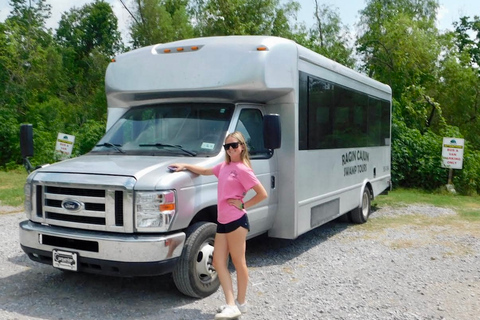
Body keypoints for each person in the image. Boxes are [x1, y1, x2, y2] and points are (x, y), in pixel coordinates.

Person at [171, 131, 268, 319]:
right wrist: (184, 166)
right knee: (217, 262)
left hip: (237, 220)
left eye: (234, 145)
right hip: (222, 221)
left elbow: (262, 193)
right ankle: (232, 304)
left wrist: (243, 205)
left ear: (242, 146)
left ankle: (240, 303)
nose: (231, 149)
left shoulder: (242, 169)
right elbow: (206, 171)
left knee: (239, 262)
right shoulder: (224, 166)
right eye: (227, 146)